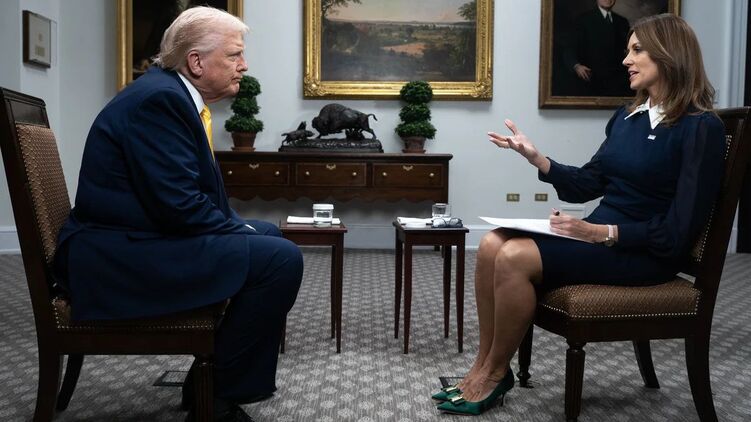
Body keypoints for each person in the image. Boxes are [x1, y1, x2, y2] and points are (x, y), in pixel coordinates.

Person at [433, 14, 724, 416]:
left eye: (637, 50)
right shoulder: (627, 117)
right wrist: (538, 158)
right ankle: (483, 366)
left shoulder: (701, 128)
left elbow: (679, 231)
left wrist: (601, 233)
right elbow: (588, 183)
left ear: (669, 55)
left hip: (645, 253)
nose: (625, 60)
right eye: (628, 50)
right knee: (490, 244)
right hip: (599, 238)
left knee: (514, 257)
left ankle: (495, 373)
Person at [53, 7, 303, 422]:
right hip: (118, 256)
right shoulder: (160, 101)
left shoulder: (169, 93)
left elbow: (183, 199)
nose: (244, 65)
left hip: (136, 234)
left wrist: (242, 229)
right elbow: (180, 207)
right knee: (281, 259)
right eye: (235, 54)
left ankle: (207, 382)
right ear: (196, 62)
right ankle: (217, 402)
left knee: (271, 239)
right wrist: (240, 229)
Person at [562, 0, 631, 96]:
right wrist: (576, 66)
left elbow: (628, 49)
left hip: (618, 80)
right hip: (592, 78)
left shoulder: (622, 21)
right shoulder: (583, 20)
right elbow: (570, 47)